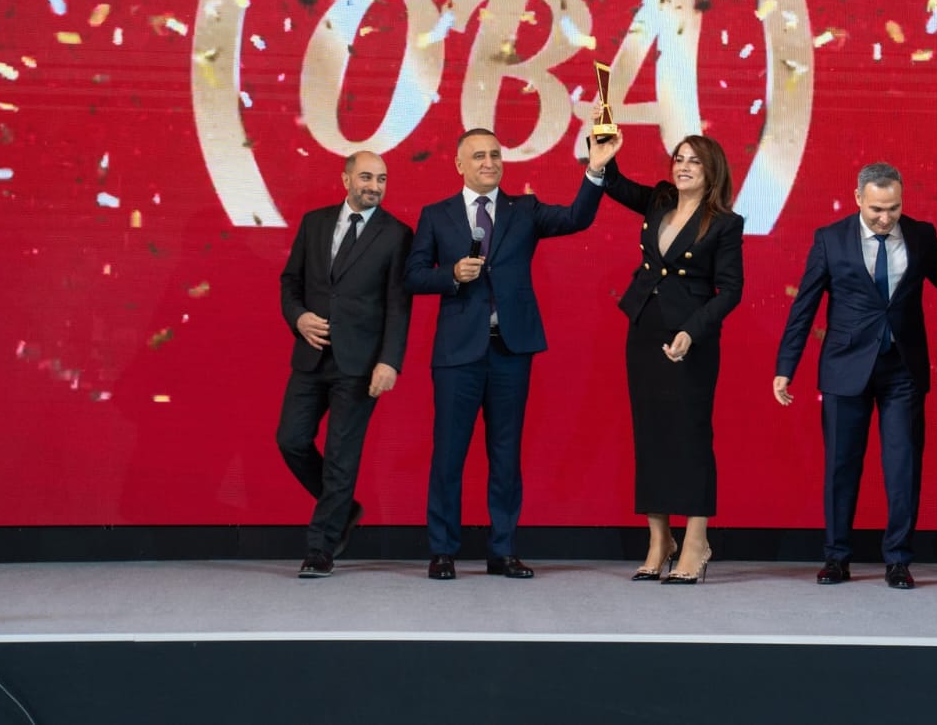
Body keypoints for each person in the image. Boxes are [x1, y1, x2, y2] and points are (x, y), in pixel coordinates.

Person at [406, 128, 622, 580]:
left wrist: (596, 169)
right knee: (448, 455)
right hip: (457, 354)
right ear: (459, 165)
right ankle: (443, 550)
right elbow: (413, 275)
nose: (489, 162)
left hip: (510, 350)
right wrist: (451, 274)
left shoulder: (524, 210)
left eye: (495, 155)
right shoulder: (436, 215)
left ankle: (502, 550)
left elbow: (576, 218)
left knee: (505, 454)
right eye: (478, 156)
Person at [774, 162, 937, 589]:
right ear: (858, 198)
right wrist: (786, 367)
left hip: (903, 369)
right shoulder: (830, 239)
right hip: (844, 368)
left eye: (893, 208)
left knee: (903, 467)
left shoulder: (921, 235)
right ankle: (836, 557)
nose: (885, 218)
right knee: (840, 467)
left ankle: (898, 560)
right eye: (877, 209)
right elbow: (804, 306)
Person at [599, 133, 745, 585]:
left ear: (711, 171)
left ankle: (696, 540)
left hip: (691, 338)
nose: (682, 167)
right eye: (679, 159)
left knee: (690, 436)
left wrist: (691, 331)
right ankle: (659, 540)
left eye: (694, 162)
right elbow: (615, 184)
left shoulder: (724, 223)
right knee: (651, 433)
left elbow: (731, 290)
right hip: (645, 328)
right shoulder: (660, 200)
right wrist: (603, 158)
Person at [277, 151, 413, 579]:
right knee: (291, 440)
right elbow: (290, 281)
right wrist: (299, 317)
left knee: (341, 456)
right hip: (311, 355)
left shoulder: (397, 234)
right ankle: (344, 509)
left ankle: (321, 548)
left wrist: (389, 361)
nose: (375, 186)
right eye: (367, 177)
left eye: (382, 179)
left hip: (361, 363)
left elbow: (399, 304)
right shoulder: (314, 223)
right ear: (346, 179)